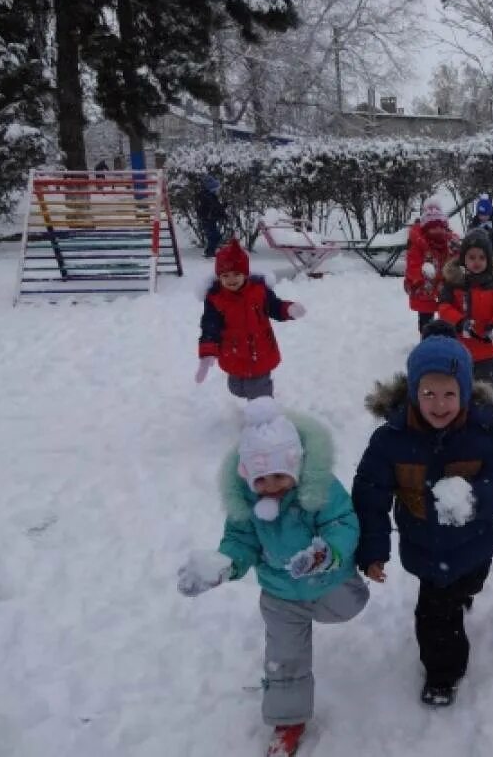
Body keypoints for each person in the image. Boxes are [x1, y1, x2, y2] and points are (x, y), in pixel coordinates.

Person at [176, 398, 368, 757]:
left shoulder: (319, 490)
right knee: (284, 653)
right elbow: (239, 542)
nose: (271, 486)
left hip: (329, 582)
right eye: (260, 479)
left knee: (348, 605)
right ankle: (289, 718)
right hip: (280, 594)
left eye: (279, 475)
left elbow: (342, 523)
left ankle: (344, 587)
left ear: (295, 466)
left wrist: (326, 553)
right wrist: (223, 565)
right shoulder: (247, 504)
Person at [352, 322, 493, 707]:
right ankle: (443, 674)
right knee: (436, 615)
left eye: (449, 393)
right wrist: (373, 549)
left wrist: (476, 499)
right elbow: (370, 494)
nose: (439, 404)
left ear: (464, 392)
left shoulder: (484, 431)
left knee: (469, 583)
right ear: (413, 392)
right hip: (425, 547)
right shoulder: (391, 440)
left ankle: (467, 590)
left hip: (476, 542)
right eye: (428, 393)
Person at [197, 238, 305, 400]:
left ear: (245, 274)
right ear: (219, 277)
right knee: (237, 387)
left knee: (259, 392)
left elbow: (274, 307)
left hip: (260, 349)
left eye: (236, 274)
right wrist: (207, 353)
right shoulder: (216, 299)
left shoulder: (259, 291)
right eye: (225, 275)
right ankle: (254, 399)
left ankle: (264, 414)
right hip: (233, 352)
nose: (231, 280)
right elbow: (210, 326)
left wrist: (288, 309)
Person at [438, 230, 493, 389]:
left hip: (487, 351)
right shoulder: (454, 285)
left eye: (481, 257)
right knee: (459, 388)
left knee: (485, 391)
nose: (476, 262)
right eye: (471, 257)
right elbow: (444, 307)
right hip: (459, 350)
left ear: (489, 259)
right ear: (463, 259)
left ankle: (487, 412)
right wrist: (459, 322)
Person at [404, 196, 459, 334]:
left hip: (444, 287)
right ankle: (426, 339)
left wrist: (456, 251)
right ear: (426, 229)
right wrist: (418, 279)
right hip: (424, 289)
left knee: (447, 316)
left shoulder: (449, 243)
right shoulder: (418, 245)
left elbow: (457, 262)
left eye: (440, 227)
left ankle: (446, 339)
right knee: (426, 320)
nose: (437, 231)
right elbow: (413, 265)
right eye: (433, 228)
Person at [467, 194, 493, 261]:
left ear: (490, 213)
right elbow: (469, 236)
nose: (482, 217)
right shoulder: (475, 222)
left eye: (485, 215)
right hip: (479, 255)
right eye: (480, 215)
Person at [196, 174, 227, 259]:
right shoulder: (207, 197)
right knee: (213, 236)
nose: (217, 190)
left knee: (215, 236)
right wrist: (220, 211)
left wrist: (222, 209)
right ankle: (210, 253)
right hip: (208, 220)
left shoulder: (211, 196)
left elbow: (217, 207)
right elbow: (213, 207)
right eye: (216, 189)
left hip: (210, 219)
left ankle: (211, 251)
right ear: (211, 189)